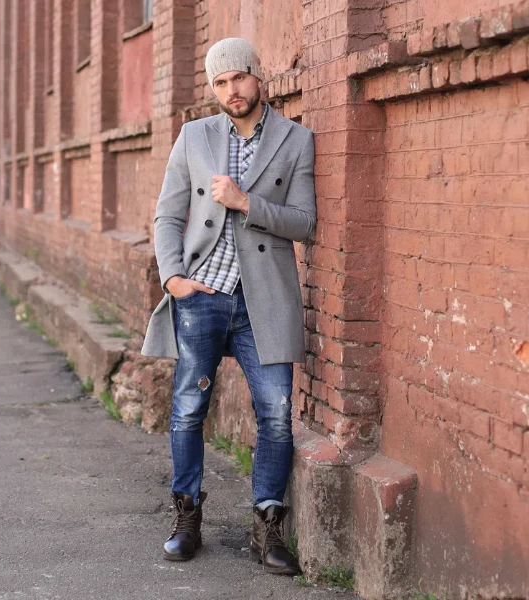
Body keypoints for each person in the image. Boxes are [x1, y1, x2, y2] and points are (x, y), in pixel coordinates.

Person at [141, 37, 316, 575]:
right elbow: (167, 214)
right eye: (219, 83)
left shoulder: (295, 139)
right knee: (190, 408)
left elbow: (305, 224)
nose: (230, 91)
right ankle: (186, 517)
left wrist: (247, 203)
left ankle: (267, 526)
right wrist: (173, 276)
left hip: (264, 300)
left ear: (257, 76)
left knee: (276, 416)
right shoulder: (195, 136)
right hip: (203, 297)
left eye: (238, 78)